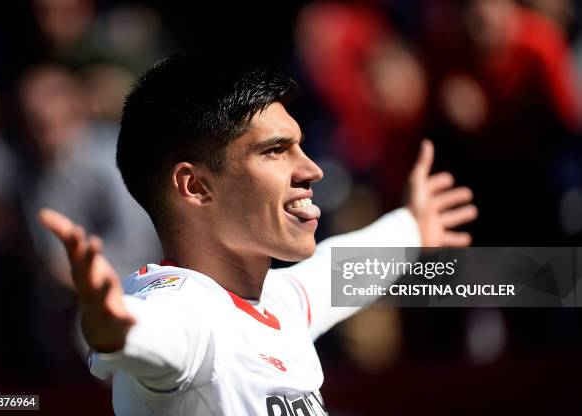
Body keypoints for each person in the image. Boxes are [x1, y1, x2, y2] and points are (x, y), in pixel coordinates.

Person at [38, 55, 477, 415]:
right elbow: (148, 333)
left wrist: (411, 226)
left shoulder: (276, 299)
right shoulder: (182, 310)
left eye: (300, 146)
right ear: (196, 187)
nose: (311, 169)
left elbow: (338, 270)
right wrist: (111, 323)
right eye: (274, 151)